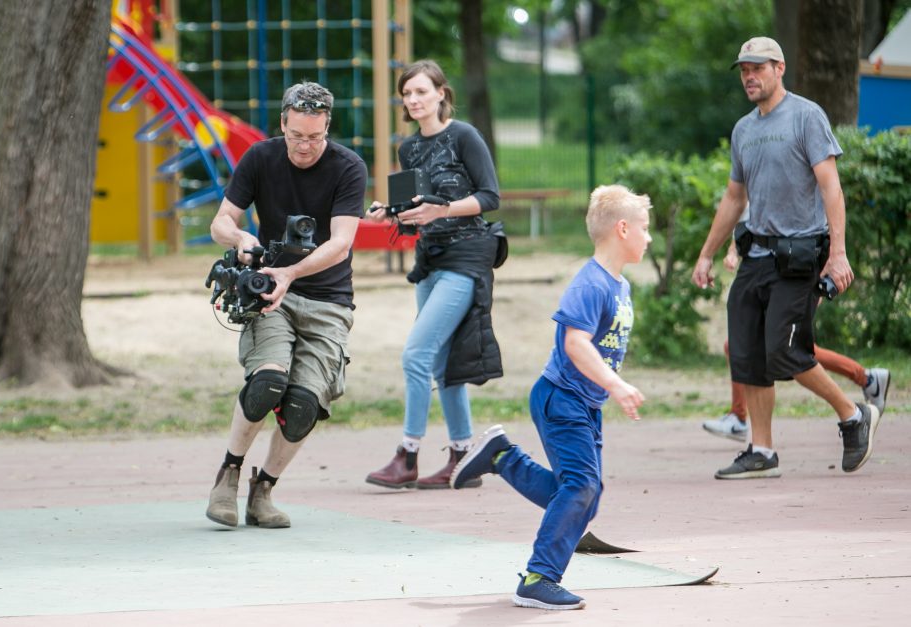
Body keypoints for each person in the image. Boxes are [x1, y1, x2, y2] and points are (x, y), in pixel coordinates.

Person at [449, 185, 651, 611]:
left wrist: (608, 386)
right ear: (622, 229)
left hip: (583, 403)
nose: (649, 237)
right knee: (580, 488)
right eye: (644, 228)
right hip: (561, 399)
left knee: (584, 498)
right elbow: (576, 344)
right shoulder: (591, 283)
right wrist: (616, 385)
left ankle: (502, 457)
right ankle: (539, 577)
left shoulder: (621, 286)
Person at [690, 36, 882, 479]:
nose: (749, 77)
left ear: (779, 68)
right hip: (755, 255)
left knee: (786, 352)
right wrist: (706, 254)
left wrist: (838, 254)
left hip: (799, 258)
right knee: (748, 353)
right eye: (743, 70)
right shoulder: (744, 130)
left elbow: (831, 187)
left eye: (757, 68)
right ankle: (762, 450)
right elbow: (735, 197)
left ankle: (853, 415)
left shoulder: (806, 116)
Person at [205, 81, 367, 528]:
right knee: (267, 384)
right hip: (270, 295)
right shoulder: (260, 157)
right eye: (296, 135)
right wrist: (240, 237)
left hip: (329, 299)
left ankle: (264, 490)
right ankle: (228, 475)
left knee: (303, 407)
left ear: (327, 128)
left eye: (315, 137)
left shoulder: (348, 167)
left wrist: (291, 273)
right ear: (283, 124)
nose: (305, 146)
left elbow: (342, 243)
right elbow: (220, 220)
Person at [364, 59, 503, 490]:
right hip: (429, 260)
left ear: (441, 93)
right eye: (407, 94)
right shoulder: (409, 148)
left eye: (421, 91)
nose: (413, 100)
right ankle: (463, 458)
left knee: (416, 354)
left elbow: (490, 196)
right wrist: (389, 213)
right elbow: (414, 214)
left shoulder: (464, 136)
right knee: (443, 364)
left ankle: (408, 454)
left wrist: (443, 208)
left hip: (466, 259)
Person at [704, 239, 891, 442]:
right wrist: (732, 252)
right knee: (764, 346)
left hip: (795, 271)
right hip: (768, 276)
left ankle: (861, 389)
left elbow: (821, 219)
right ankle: (740, 417)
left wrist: (831, 261)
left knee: (790, 349)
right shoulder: (751, 211)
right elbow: (743, 223)